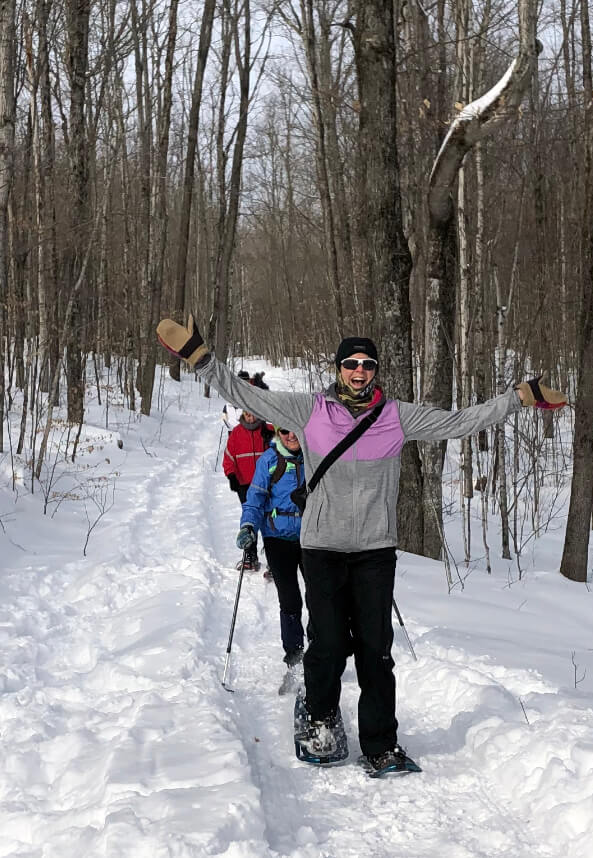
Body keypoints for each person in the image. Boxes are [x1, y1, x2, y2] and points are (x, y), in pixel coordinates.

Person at [157, 315, 566, 775]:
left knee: (376, 651)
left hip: (374, 552)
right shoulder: (307, 410)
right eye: (351, 363)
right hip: (323, 549)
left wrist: (519, 397)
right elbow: (246, 395)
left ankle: (380, 743)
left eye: (368, 364)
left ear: (375, 371)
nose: (359, 371)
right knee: (328, 643)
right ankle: (319, 718)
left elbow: (460, 422)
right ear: (338, 369)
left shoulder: (395, 417)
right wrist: (201, 359)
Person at [236, 426, 306, 694]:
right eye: (286, 431)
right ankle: (295, 660)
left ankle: (321, 656)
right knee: (290, 600)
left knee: (321, 598)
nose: (292, 436)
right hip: (277, 539)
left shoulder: (315, 456)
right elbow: (254, 500)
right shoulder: (269, 460)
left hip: (312, 537)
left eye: (296, 429)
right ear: (278, 432)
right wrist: (248, 527)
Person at [222, 372, 274, 506]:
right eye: (247, 414)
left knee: (268, 518)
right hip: (244, 484)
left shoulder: (268, 430)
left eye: (253, 414)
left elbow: (286, 445)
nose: (250, 418)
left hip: (266, 483)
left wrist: (272, 440)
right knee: (250, 515)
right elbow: (229, 457)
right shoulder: (236, 433)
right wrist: (231, 475)